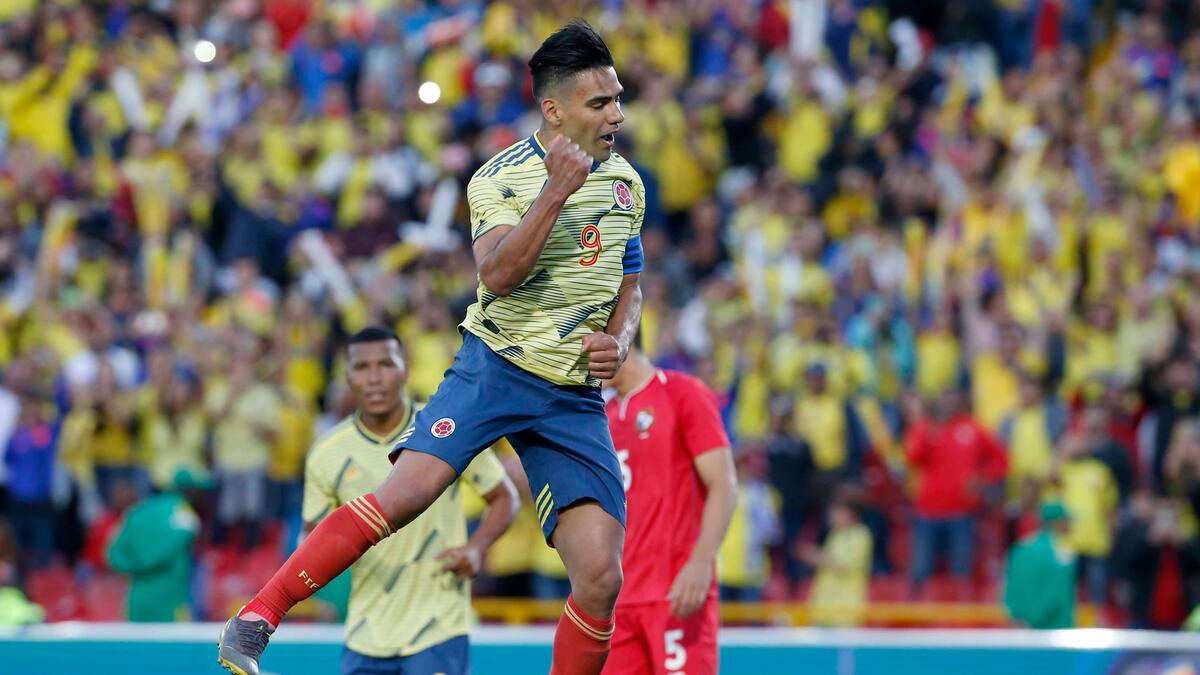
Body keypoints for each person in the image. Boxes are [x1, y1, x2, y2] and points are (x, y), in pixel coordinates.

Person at [220, 21, 644, 675]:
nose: (617, 114)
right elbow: (497, 275)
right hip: (496, 367)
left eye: (617, 99)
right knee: (405, 496)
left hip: (571, 394)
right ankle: (255, 618)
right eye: (600, 102)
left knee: (601, 577)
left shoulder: (628, 185)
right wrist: (556, 191)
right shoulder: (498, 179)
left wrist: (619, 337)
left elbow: (631, 282)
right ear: (554, 110)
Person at [302, 327, 517, 675]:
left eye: (386, 364)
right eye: (362, 367)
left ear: (406, 369)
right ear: (348, 376)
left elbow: (504, 497)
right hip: (364, 633)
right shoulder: (327, 453)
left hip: (439, 628)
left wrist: (477, 548)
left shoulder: (445, 428)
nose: (375, 378)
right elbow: (312, 538)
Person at [602, 343, 736, 675]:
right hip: (618, 602)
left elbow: (723, 484)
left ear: (619, 337)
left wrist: (700, 563)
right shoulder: (601, 416)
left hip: (676, 593)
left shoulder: (682, 392)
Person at [106, 468, 208, 622]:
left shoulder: (139, 511)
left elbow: (113, 555)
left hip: (137, 601)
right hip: (171, 602)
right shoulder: (184, 514)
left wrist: (136, 566)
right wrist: (149, 562)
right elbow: (174, 545)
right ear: (190, 491)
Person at [1003, 502, 1077, 629]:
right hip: (1055, 627)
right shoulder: (1063, 553)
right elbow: (1060, 594)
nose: (1071, 524)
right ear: (1056, 522)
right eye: (1066, 520)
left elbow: (1009, 591)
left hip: (1023, 628)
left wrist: (1021, 620)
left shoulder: (1020, 548)